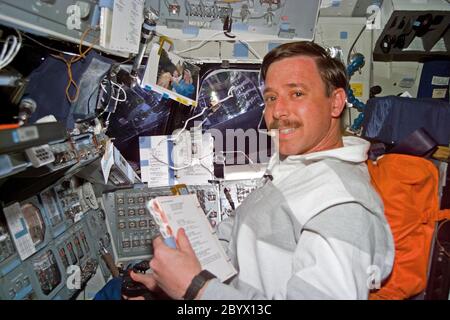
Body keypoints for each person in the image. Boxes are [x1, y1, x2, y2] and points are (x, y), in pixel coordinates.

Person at [129, 41, 395, 300]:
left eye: (297, 93)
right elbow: (234, 241)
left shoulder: (341, 205)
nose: (277, 111)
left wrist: (195, 289)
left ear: (336, 103)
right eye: (271, 97)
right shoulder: (295, 168)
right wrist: (170, 282)